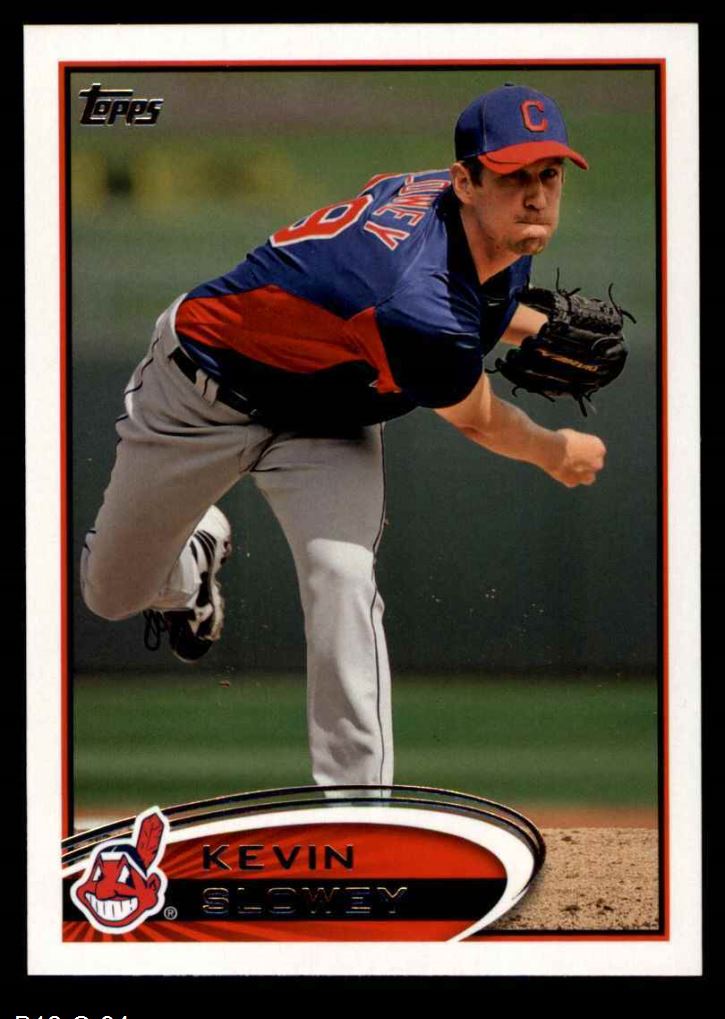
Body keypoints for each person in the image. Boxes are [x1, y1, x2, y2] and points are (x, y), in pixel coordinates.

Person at [80, 83, 606, 789]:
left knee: (343, 576)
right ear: (464, 181)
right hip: (200, 392)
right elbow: (479, 415)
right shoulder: (412, 299)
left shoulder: (483, 223)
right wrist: (557, 451)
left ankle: (358, 804)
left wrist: (532, 327)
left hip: (326, 421)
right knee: (113, 595)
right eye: (514, 176)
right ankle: (192, 558)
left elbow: (459, 297)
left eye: (549, 174)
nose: (536, 196)